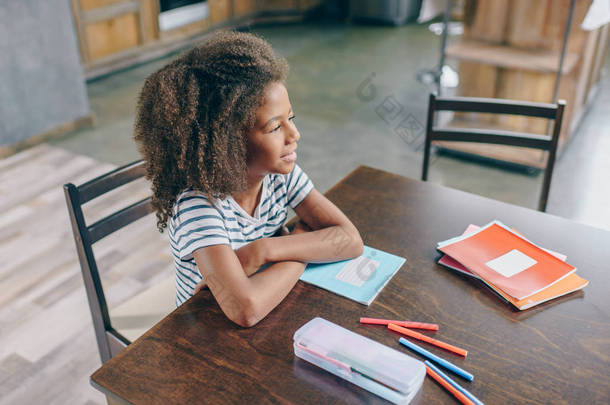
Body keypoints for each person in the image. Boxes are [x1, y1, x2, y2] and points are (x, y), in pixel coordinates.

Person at [134, 31, 363, 327]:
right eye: (274, 127)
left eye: (290, 118)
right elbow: (246, 309)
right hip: (205, 339)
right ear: (227, 143)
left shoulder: (280, 175)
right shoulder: (198, 207)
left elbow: (351, 240)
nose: (294, 135)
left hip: (273, 313)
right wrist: (304, 245)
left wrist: (265, 250)